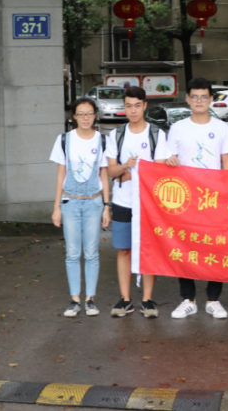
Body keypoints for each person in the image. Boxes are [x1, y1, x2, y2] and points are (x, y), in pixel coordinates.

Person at [165, 77, 228, 319]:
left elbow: (227, 163)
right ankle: (188, 299)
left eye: (204, 96)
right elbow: (164, 161)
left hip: (214, 198)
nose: (199, 101)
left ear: (211, 100)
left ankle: (213, 300)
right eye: (194, 96)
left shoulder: (221, 128)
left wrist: (227, 194)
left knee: (216, 248)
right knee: (185, 246)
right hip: (185, 199)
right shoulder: (177, 128)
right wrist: (169, 161)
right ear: (188, 100)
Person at [106, 86, 169, 318]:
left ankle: (148, 300)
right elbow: (111, 170)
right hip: (123, 201)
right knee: (124, 250)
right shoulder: (116, 135)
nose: (133, 110)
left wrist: (131, 174)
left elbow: (160, 170)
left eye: (137, 105)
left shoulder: (157, 134)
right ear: (124, 108)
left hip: (149, 204)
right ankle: (125, 299)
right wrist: (125, 167)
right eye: (128, 105)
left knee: (148, 249)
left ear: (144, 106)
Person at [49, 97, 111, 317]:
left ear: (95, 115)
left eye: (90, 113)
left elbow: (104, 173)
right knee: (73, 253)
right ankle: (75, 300)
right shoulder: (64, 140)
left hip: (94, 201)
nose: (86, 118)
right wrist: (57, 207)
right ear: (74, 116)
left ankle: (90, 299)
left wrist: (106, 205)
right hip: (70, 201)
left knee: (92, 252)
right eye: (81, 114)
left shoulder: (102, 140)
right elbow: (60, 175)